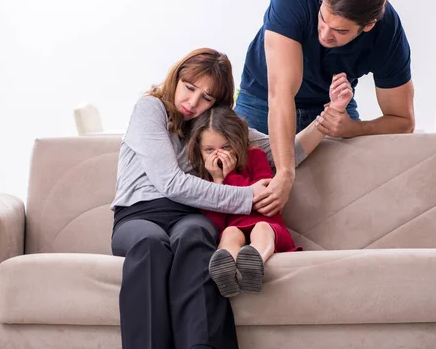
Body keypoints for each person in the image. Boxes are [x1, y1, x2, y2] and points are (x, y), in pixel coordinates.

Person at [110, 48, 352, 349]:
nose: (192, 102)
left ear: (217, 103)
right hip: (139, 215)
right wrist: (247, 196)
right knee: (150, 244)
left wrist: (328, 117)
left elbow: (283, 153)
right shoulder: (151, 108)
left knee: (196, 235)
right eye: (189, 88)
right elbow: (170, 183)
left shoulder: (212, 126)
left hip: (188, 215)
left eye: (207, 98)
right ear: (176, 78)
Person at [234, 0, 416, 219]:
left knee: (344, 199)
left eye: (340, 31)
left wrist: (350, 128)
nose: (325, 34)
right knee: (239, 182)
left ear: (368, 26)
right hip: (264, 98)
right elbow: (281, 93)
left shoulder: (387, 34)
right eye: (322, 19)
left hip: (333, 105)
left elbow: (403, 122)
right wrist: (285, 173)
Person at [186, 106, 302, 298]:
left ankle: (255, 261)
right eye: (209, 150)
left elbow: (262, 202)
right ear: (200, 151)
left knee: (261, 228)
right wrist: (217, 182)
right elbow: (215, 225)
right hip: (234, 228)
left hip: (270, 226)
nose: (218, 155)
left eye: (226, 147)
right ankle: (225, 271)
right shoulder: (205, 179)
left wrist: (230, 176)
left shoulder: (256, 157)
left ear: (238, 142)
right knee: (230, 232)